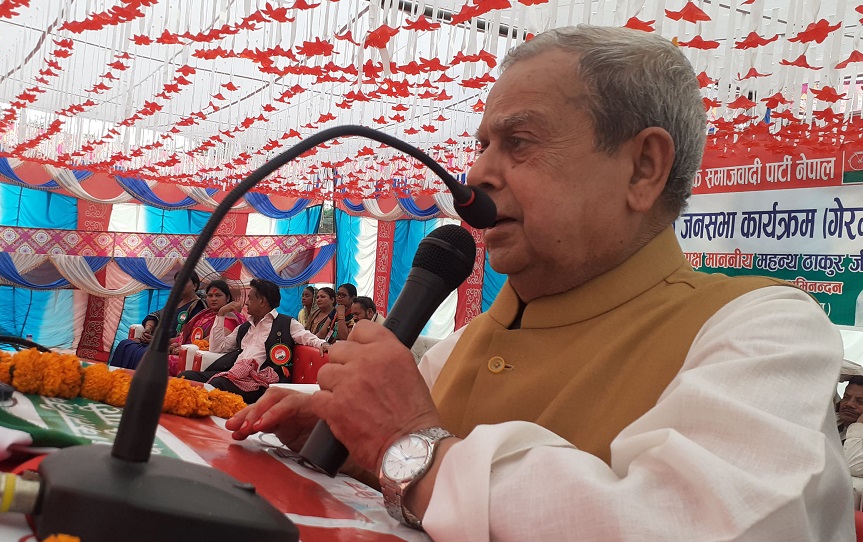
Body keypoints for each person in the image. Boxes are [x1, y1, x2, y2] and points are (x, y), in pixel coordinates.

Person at [226, 25, 852, 540]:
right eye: (482, 145)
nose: (476, 174)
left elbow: (698, 524)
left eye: (518, 142)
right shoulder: (458, 349)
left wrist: (406, 444)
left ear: (644, 168)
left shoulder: (765, 331)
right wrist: (356, 448)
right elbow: (424, 488)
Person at [185, 279, 328, 403]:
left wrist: (323, 344)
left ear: (262, 301)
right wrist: (221, 314)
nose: (246, 302)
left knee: (218, 383)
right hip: (234, 375)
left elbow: (307, 337)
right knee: (186, 376)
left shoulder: (286, 323)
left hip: (260, 383)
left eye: (250, 298)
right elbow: (217, 348)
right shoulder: (244, 327)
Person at [108, 271, 207, 369]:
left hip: (171, 345)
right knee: (125, 344)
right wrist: (148, 329)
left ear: (195, 286)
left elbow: (189, 336)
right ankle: (117, 375)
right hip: (155, 340)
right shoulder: (175, 303)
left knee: (144, 353)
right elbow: (155, 315)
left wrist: (159, 340)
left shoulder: (197, 306)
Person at [166, 280, 246, 376]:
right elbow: (188, 336)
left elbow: (215, 339)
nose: (213, 299)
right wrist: (174, 344)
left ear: (227, 298)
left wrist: (186, 349)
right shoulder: (204, 314)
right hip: (187, 351)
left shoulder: (229, 316)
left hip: (205, 357)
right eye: (210, 295)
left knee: (165, 360)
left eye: (218, 295)